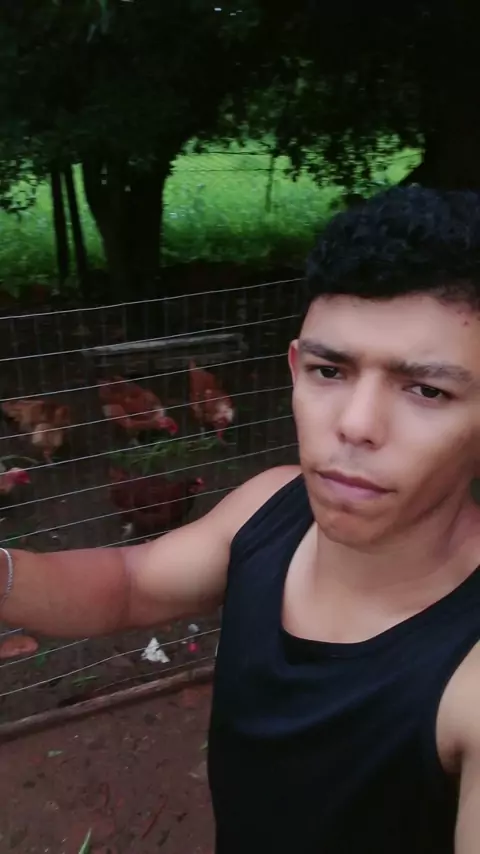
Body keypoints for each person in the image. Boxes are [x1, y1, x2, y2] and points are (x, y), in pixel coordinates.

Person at [2, 186, 480, 853]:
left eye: (427, 389)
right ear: (295, 369)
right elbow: (130, 581)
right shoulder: (271, 504)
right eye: (330, 371)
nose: (355, 424)